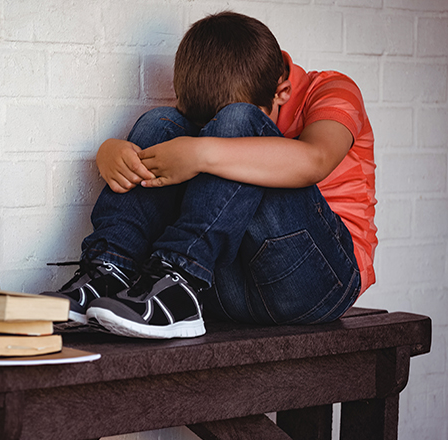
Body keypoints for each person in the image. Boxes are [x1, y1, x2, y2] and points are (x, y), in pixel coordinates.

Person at [41, 11, 376, 339]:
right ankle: (110, 271)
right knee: (161, 123)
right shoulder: (215, 87)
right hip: (219, 285)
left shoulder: (332, 89)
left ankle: (179, 276)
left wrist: (201, 153)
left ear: (282, 91)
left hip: (318, 283)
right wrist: (111, 153)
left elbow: (316, 159)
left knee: (238, 121)